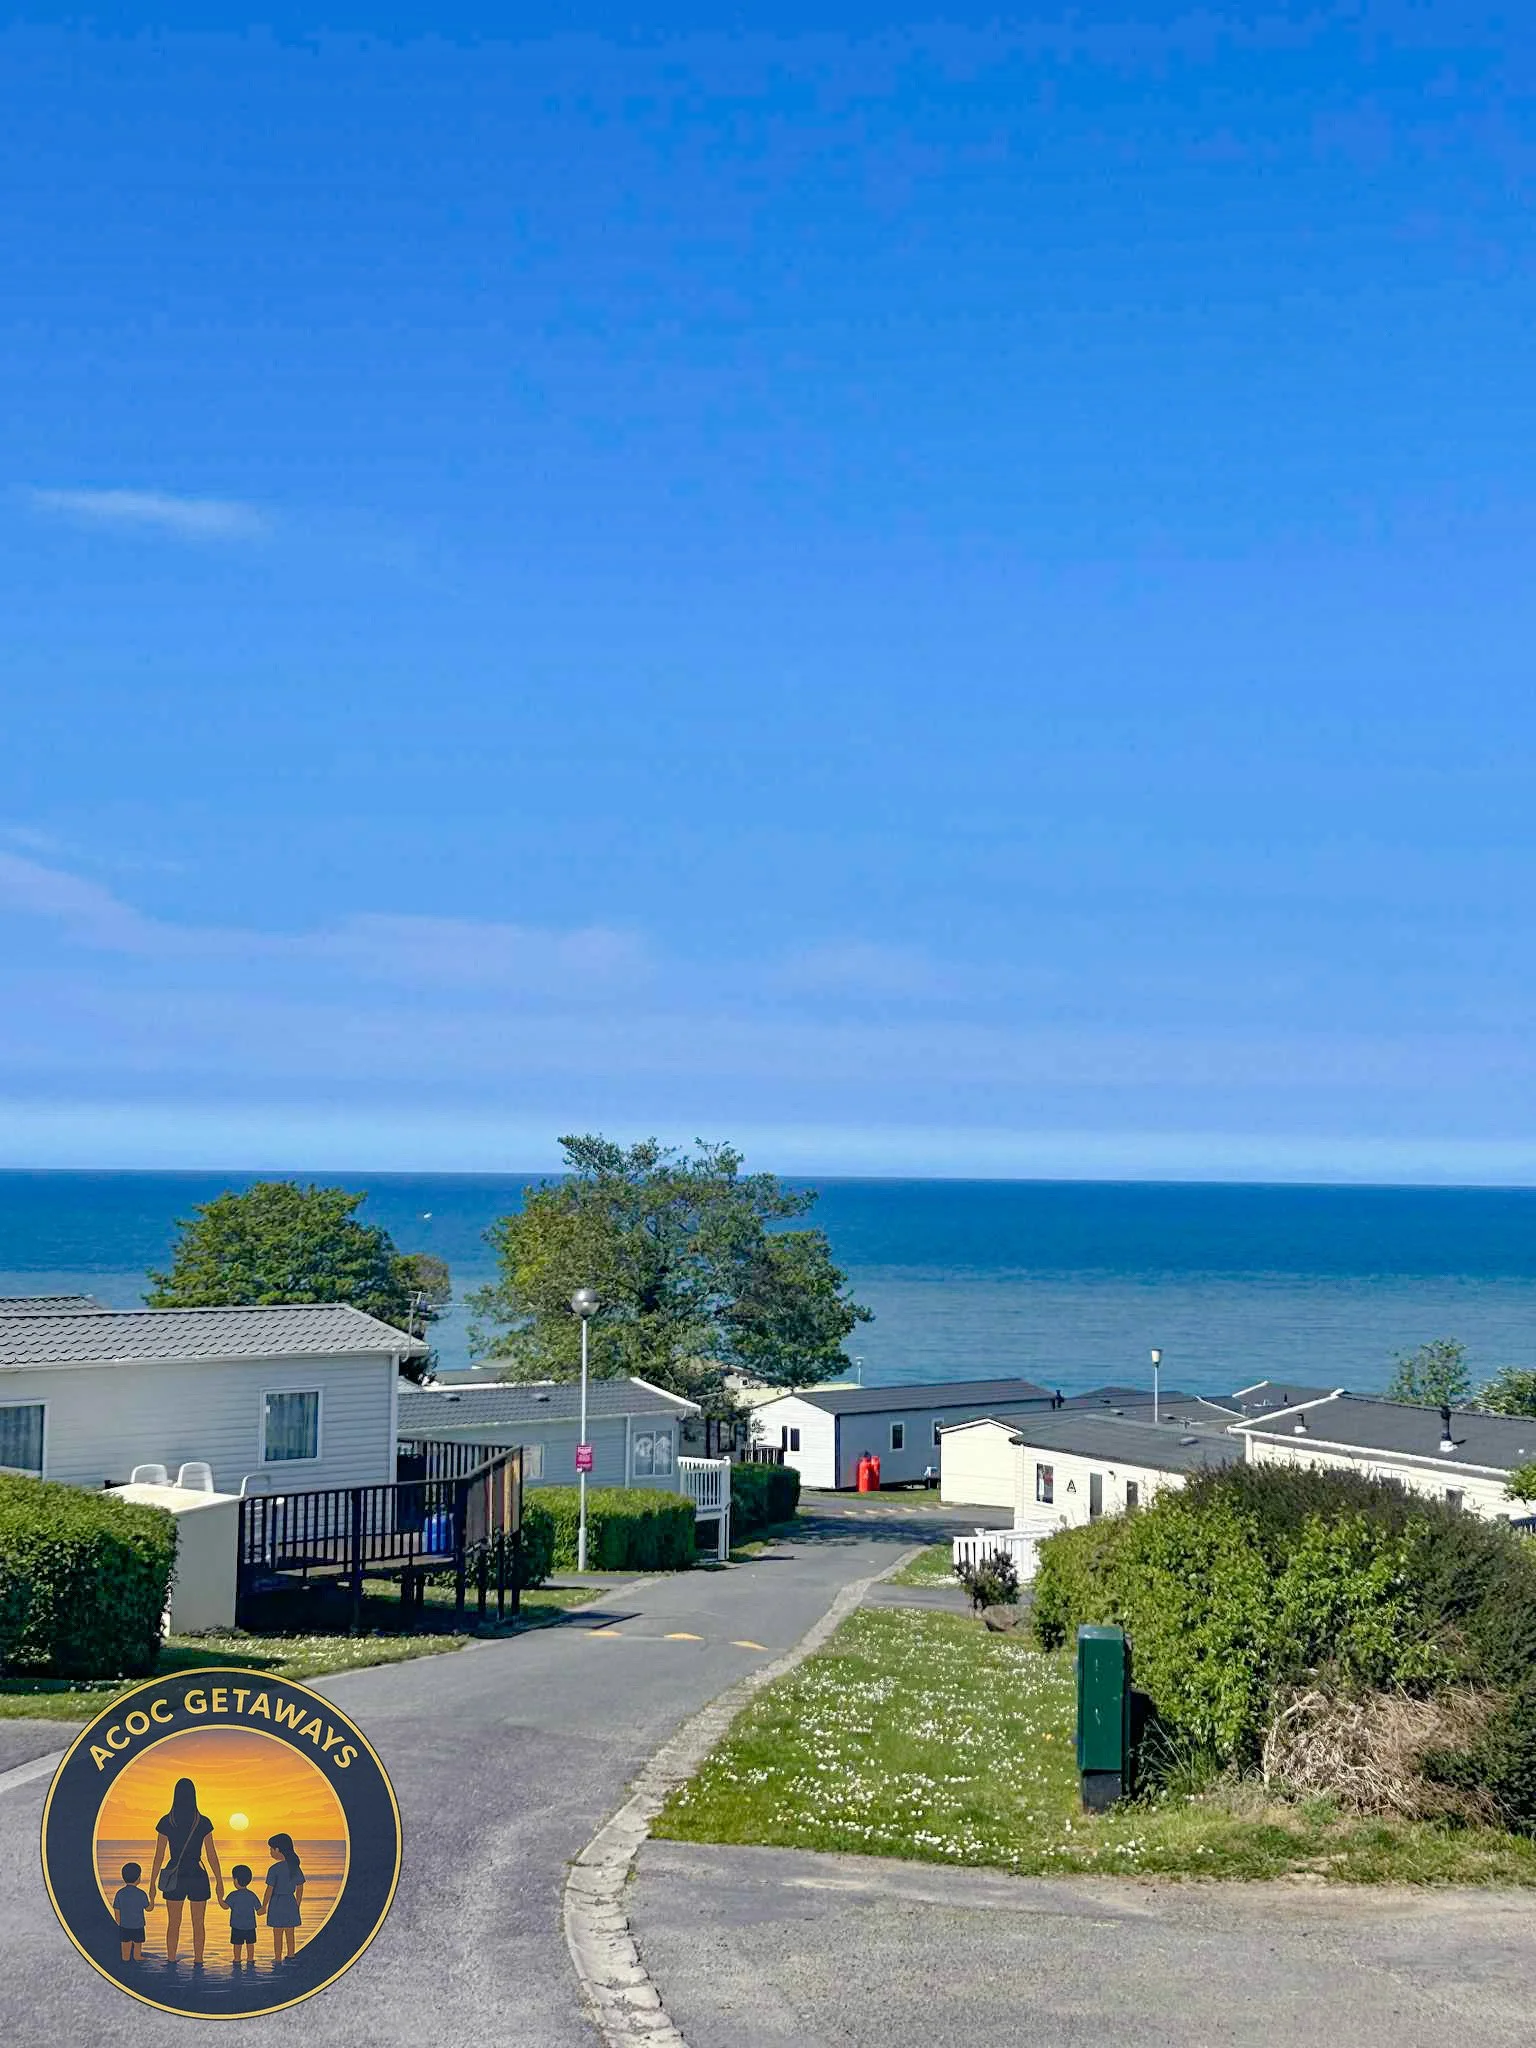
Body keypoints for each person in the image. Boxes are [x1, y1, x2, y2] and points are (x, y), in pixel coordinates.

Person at [147, 1776, 224, 1967]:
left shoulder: (167, 1821)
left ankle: (171, 1960)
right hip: (197, 1874)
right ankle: (199, 1961)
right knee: (198, 1923)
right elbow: (212, 1855)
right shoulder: (203, 1822)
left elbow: (158, 1856)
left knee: (174, 1922)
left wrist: (152, 1884)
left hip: (175, 1875)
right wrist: (219, 1881)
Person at [262, 1833, 305, 1963]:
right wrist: (297, 1904)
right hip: (290, 1902)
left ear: (277, 1849)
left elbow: (269, 1890)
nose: (270, 1852)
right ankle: (291, 1955)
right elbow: (300, 1887)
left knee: (277, 1933)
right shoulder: (294, 1867)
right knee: (290, 1932)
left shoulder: (274, 1869)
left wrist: (264, 1906)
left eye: (271, 1849)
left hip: (277, 1903)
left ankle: (277, 1958)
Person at [113, 1860, 152, 1963]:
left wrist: (119, 1923)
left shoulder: (120, 1893)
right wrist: (152, 1899)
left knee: (125, 1952)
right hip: (138, 1926)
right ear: (138, 1878)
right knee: (137, 1949)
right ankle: (137, 1957)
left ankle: (126, 1960)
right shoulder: (141, 1894)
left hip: (125, 1926)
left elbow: (117, 1910)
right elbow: (148, 1908)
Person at [224, 1864, 259, 1965]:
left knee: (237, 1945)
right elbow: (259, 1909)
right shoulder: (252, 1895)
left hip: (236, 1926)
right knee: (250, 1944)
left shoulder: (233, 1895)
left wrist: (219, 1898)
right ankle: (250, 1959)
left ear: (235, 1880)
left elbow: (225, 1906)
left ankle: (237, 1959)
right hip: (250, 1926)